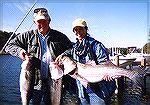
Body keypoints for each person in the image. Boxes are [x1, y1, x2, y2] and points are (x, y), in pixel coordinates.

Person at [4, 7, 72, 105]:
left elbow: (71, 49)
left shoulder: (60, 36)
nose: (42, 24)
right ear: (34, 22)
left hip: (54, 82)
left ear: (49, 20)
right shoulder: (27, 36)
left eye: (44, 21)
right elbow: (8, 46)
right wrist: (19, 51)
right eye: (39, 22)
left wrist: (63, 55)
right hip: (34, 85)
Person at [55, 18, 117, 105]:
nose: (78, 32)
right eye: (76, 30)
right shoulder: (74, 47)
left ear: (86, 29)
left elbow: (105, 62)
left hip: (98, 91)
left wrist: (108, 74)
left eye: (81, 29)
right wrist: (62, 56)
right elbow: (68, 52)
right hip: (81, 91)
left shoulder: (96, 45)